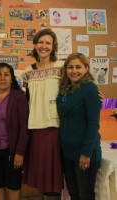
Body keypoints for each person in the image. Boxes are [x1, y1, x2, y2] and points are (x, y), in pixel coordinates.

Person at [22, 29, 64, 200]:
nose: (44, 46)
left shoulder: (61, 67)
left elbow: (76, 87)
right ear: (35, 45)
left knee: (53, 177)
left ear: (53, 46)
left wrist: (95, 94)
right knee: (41, 176)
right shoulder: (27, 71)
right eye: (40, 42)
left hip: (55, 128)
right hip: (35, 128)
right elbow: (26, 98)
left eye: (48, 43)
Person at [57, 53, 101, 200]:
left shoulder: (90, 90)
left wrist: (86, 153)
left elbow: (93, 124)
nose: (74, 71)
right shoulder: (64, 89)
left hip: (85, 153)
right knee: (74, 194)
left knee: (85, 195)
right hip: (67, 152)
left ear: (86, 68)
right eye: (70, 67)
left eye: (78, 67)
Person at [0, 63, 29, 200]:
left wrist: (20, 152)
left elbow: (24, 127)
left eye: (6, 74)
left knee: (13, 185)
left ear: (12, 78)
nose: (2, 78)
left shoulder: (19, 97)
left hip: (12, 151)